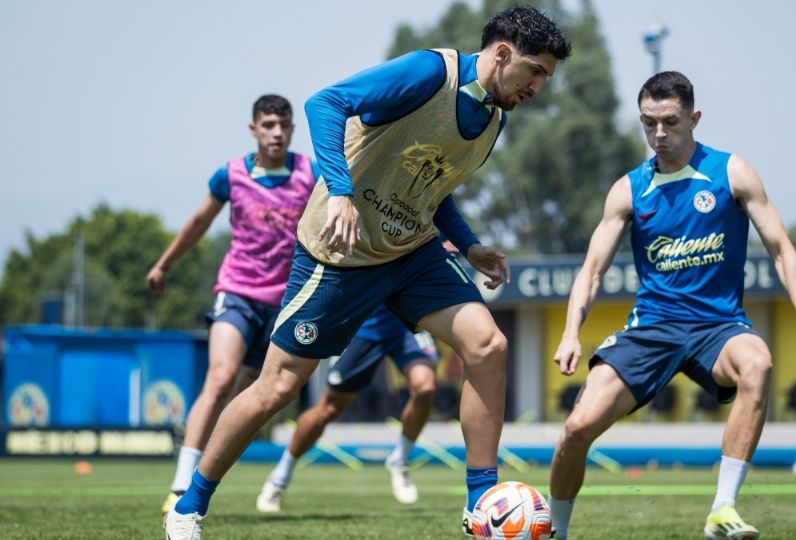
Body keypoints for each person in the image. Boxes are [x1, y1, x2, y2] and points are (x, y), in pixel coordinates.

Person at [164, 6, 571, 539]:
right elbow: (324, 103)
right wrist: (339, 192)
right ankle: (188, 505)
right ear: (502, 54)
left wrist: (469, 247)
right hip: (341, 252)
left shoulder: (494, 119)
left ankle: (480, 504)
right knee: (278, 386)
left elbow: (434, 188)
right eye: (535, 71)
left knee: (487, 346)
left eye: (545, 78)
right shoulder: (430, 73)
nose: (539, 86)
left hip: (413, 251)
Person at [546, 71, 796, 540]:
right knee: (576, 428)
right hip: (652, 328)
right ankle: (555, 531)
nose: (659, 134)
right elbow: (592, 270)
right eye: (649, 123)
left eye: (671, 122)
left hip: (718, 327)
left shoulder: (732, 173)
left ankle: (722, 509)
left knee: (757, 363)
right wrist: (570, 333)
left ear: (694, 118)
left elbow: (781, 248)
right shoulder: (628, 190)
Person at [147, 94, 316, 516]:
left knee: (252, 396)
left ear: (293, 129)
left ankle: (210, 469)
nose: (277, 132)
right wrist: (164, 264)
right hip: (237, 292)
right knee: (220, 378)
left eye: (284, 125)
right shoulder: (232, 175)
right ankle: (180, 484)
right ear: (253, 129)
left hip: (285, 304)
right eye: (268, 125)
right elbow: (199, 222)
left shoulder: (310, 174)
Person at [256, 304, 439, 511]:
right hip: (362, 329)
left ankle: (400, 460)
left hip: (407, 326)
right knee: (329, 408)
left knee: (425, 387)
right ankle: (280, 476)